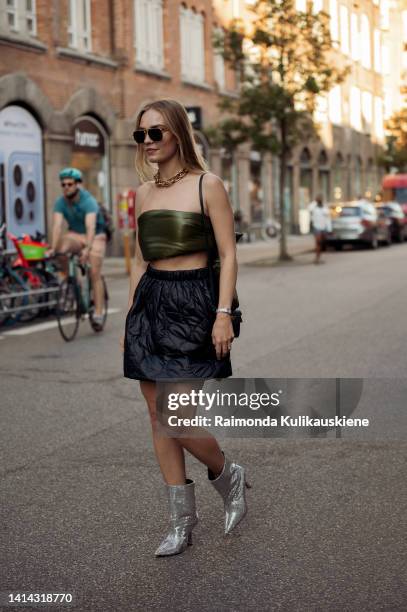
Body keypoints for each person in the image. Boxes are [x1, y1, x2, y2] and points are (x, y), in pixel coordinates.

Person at [122, 98, 251, 557]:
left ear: (178, 132)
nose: (148, 142)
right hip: (152, 302)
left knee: (176, 417)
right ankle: (181, 523)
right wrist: (132, 316)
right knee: (158, 416)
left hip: (195, 302)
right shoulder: (143, 192)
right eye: (141, 134)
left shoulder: (207, 185)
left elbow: (229, 254)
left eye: (156, 132)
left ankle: (227, 475)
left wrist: (222, 313)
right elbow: (140, 259)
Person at [48, 168, 107, 330]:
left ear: (78, 184)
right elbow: (57, 226)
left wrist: (87, 250)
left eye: (70, 184)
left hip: (96, 236)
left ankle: (98, 313)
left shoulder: (88, 201)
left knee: (94, 272)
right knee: (61, 249)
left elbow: (90, 227)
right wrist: (53, 248)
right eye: (63, 184)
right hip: (75, 235)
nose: (66, 187)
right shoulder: (60, 202)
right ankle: (71, 281)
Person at [308, 195, 332, 264]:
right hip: (316, 227)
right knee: (318, 242)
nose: (319, 200)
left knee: (321, 243)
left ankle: (318, 256)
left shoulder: (324, 207)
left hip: (324, 227)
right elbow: (309, 209)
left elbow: (328, 218)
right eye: (317, 199)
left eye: (320, 199)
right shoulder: (313, 207)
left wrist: (329, 229)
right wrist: (315, 202)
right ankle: (317, 258)